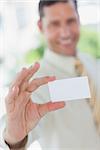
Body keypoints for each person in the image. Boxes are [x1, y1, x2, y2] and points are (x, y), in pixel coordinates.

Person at [0, 0, 100, 149]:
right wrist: (13, 137)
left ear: (79, 19)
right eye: (55, 24)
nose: (65, 32)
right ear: (41, 26)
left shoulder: (91, 62)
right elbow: (16, 132)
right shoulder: (36, 82)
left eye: (70, 20)